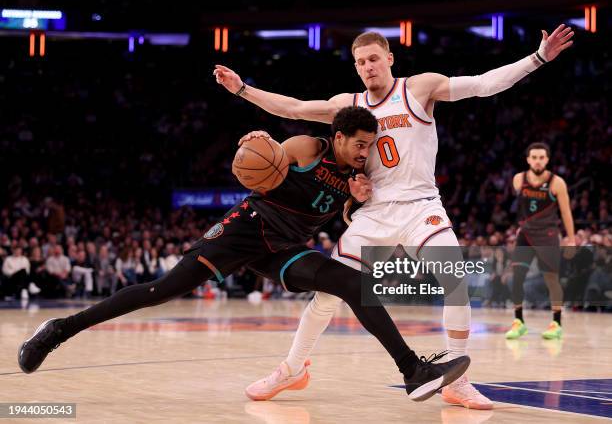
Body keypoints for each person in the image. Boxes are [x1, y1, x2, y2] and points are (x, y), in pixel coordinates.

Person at [214, 23, 574, 409]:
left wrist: (537, 58)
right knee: (328, 294)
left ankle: (458, 380)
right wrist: (241, 89)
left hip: (421, 207)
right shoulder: (348, 106)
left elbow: (483, 84)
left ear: (389, 58)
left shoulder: (419, 87)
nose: (367, 67)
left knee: (455, 280)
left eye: (373, 59)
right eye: (360, 62)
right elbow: (295, 107)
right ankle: (292, 368)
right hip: (373, 213)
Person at [18, 107, 470, 404]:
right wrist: (259, 143)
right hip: (244, 231)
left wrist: (355, 201)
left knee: (352, 283)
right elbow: (268, 156)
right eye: (359, 143)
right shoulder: (309, 148)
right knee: (161, 290)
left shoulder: (355, 176)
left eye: (370, 145)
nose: (365, 151)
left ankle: (411, 370)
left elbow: (346, 216)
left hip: (284, 249)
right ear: (338, 137)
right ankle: (59, 329)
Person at [506, 142, 576, 340]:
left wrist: (571, 239)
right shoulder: (518, 179)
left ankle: (556, 323)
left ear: (547, 159)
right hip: (526, 234)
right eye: (534, 157)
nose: (538, 161)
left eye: (541, 157)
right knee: (516, 277)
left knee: (551, 279)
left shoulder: (557, 183)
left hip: (548, 236)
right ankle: (518, 321)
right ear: (528, 159)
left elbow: (566, 212)